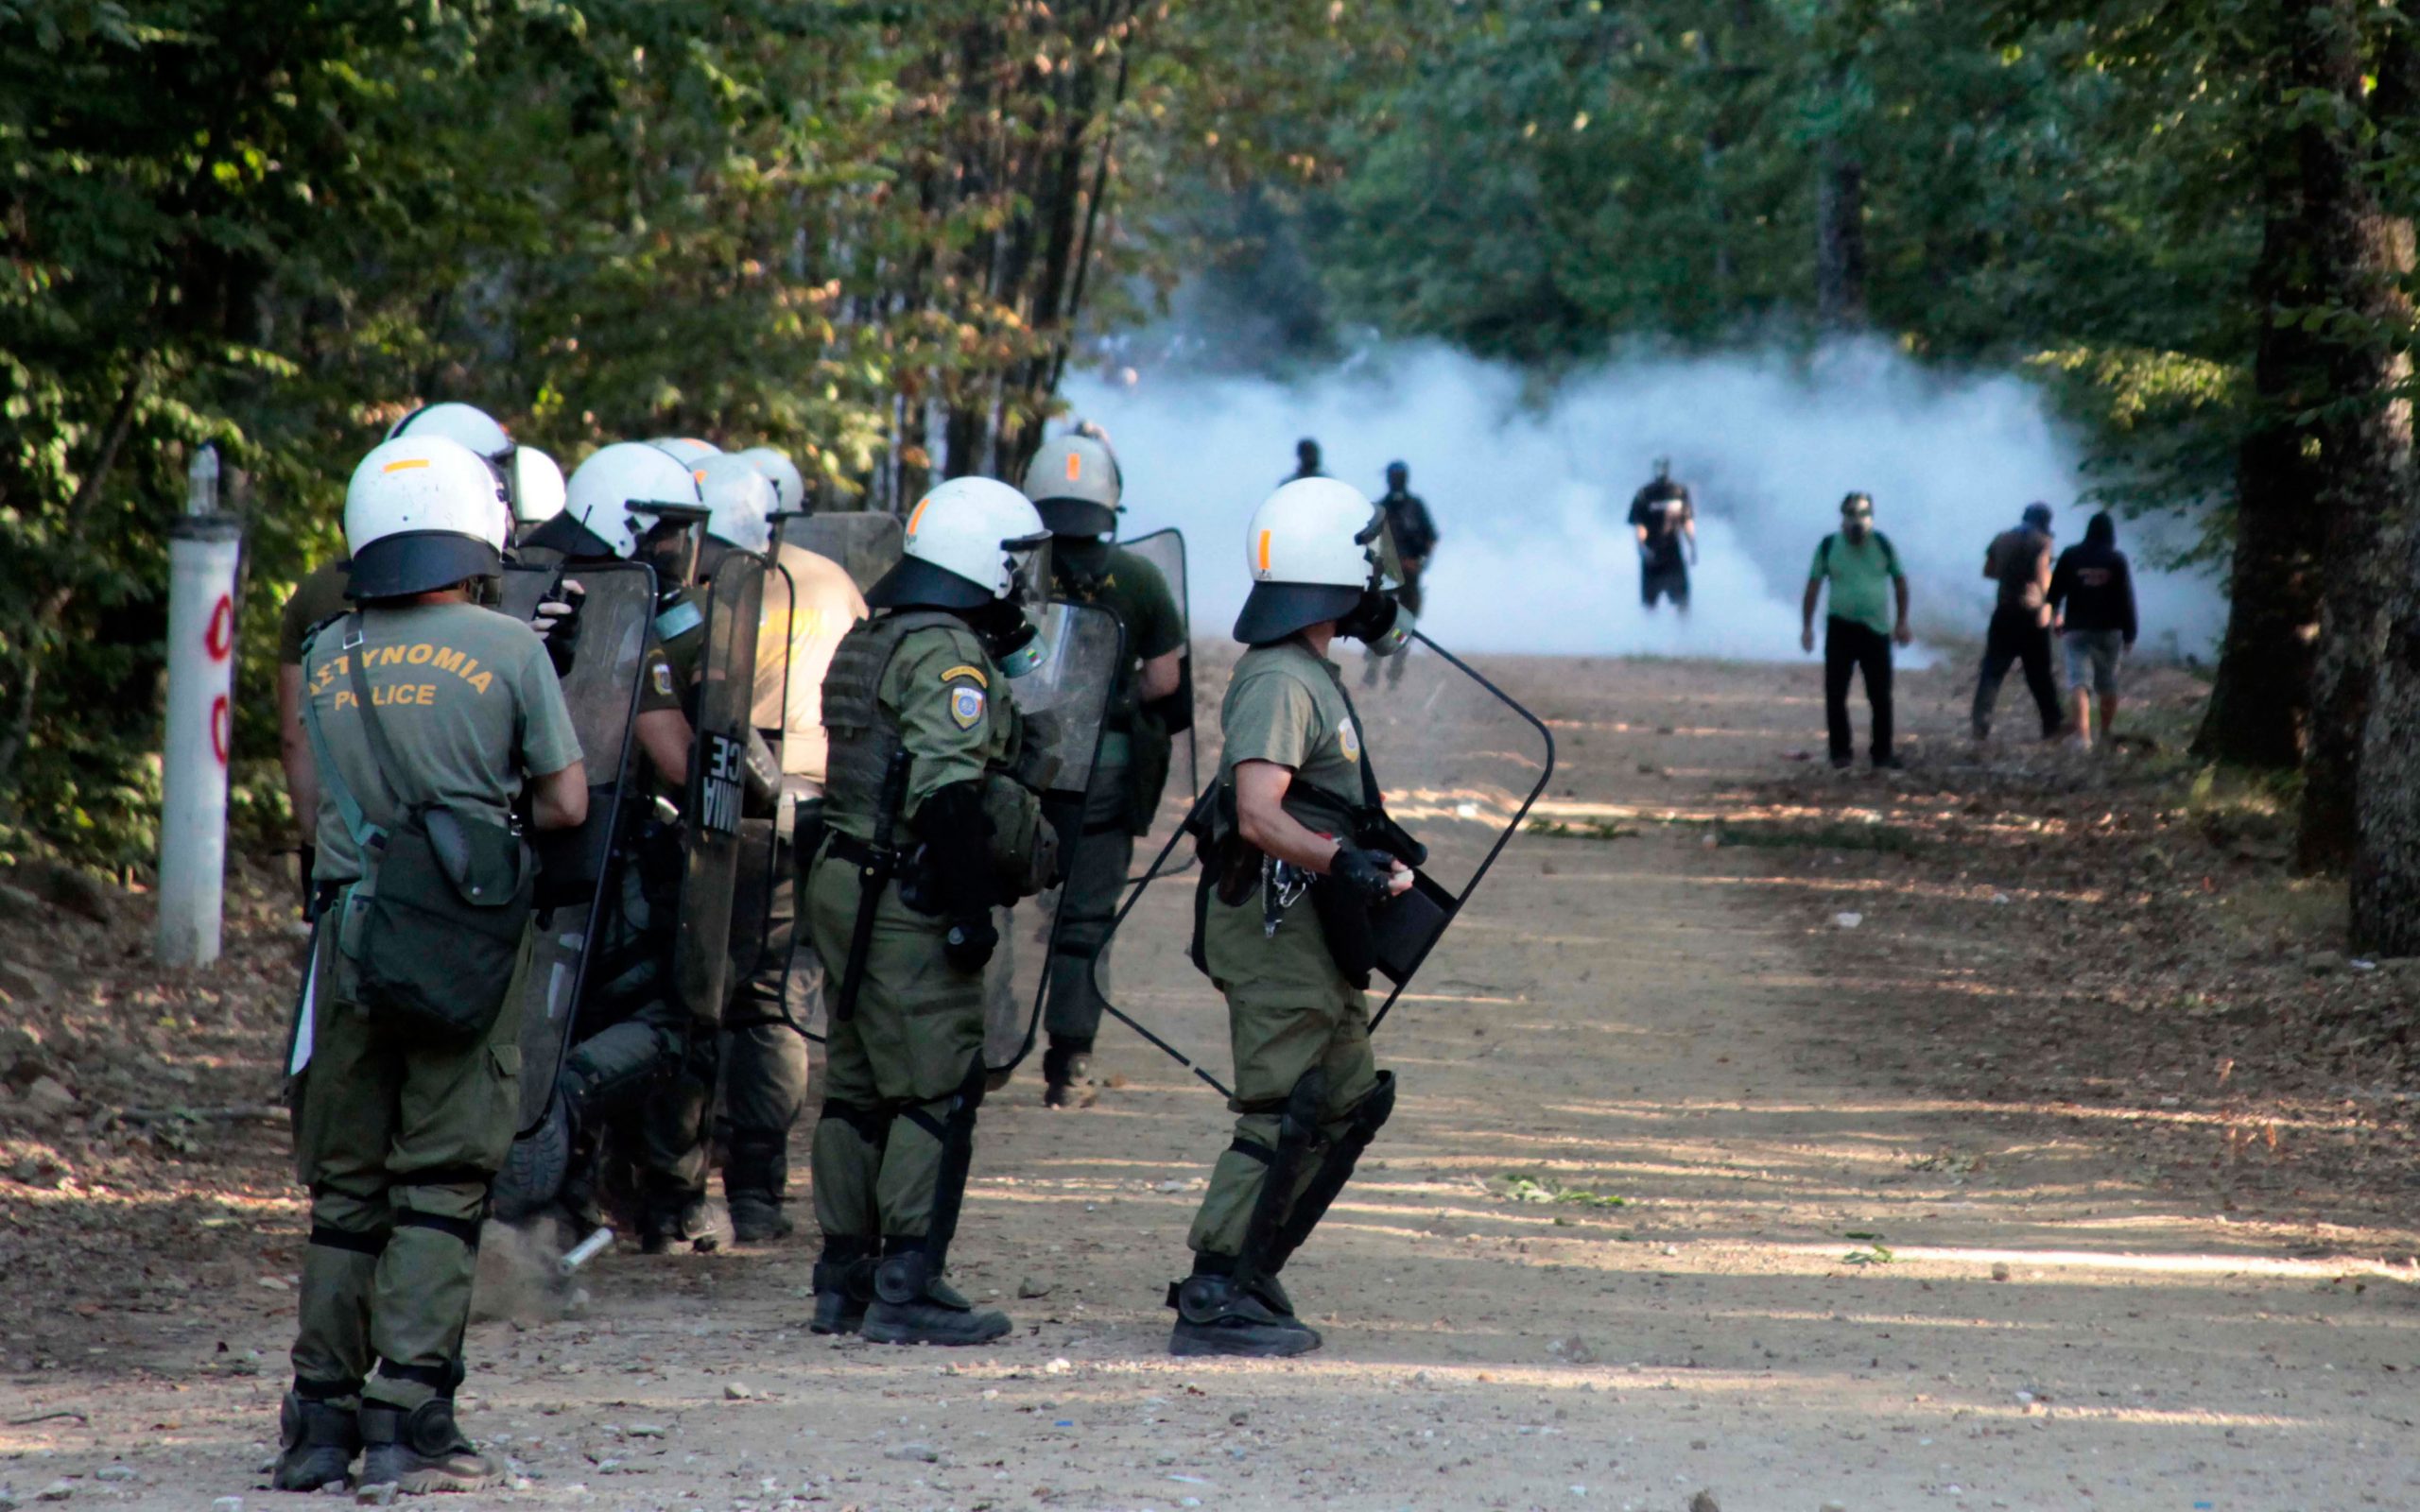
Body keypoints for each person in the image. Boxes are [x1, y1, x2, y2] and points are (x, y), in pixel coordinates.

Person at [276, 434, 587, 1495]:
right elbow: (565, 803)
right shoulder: (509, 649)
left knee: (347, 1191)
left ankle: (317, 1420)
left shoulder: (326, 649)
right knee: (440, 1187)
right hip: (463, 944)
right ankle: (408, 1415)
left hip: (351, 939)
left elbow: (313, 804)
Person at [1166, 476, 1421, 1359]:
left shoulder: (1306, 670)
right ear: (1334, 571)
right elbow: (1257, 815)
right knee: (1282, 1107)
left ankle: (1255, 1265)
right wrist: (1343, 861)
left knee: (1349, 1095)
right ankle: (1213, 1288)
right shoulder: (1279, 678)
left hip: (1308, 924)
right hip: (1272, 927)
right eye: (1366, 561)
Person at [804, 476, 1062, 1345]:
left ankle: (843, 1278)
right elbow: (949, 794)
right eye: (1014, 566)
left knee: (856, 1086)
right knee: (935, 1088)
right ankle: (908, 1285)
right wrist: (968, 912)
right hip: (906, 887)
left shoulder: (873, 636)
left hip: (845, 878)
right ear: (982, 562)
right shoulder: (949, 655)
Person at [718, 450, 871, 1239]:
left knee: (706, 989)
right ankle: (757, 1189)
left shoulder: (714, 583)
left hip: (728, 809)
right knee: (780, 997)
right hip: (819, 806)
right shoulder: (834, 581)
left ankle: (681, 1184)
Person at [1021, 429, 1185, 1108]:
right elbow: (1167, 679)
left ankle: (982, 1048)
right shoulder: (1142, 577)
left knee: (996, 911)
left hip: (1021, 767)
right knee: (1085, 920)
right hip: (1107, 773)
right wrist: (1116, 700)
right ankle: (1071, 1066)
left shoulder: (1014, 569)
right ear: (1110, 503)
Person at [1800, 492, 1911, 770]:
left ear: (1872, 517)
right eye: (1851, 515)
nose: (1856, 521)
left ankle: (1882, 754)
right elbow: (1813, 586)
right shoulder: (1829, 546)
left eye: (1862, 515)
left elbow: (1900, 582)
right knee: (1835, 693)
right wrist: (1807, 628)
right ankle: (1840, 753)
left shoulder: (1883, 545)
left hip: (1876, 630)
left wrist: (1902, 622)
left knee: (1880, 695)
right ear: (1842, 518)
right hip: (1840, 627)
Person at [1972, 502, 2065, 742]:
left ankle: (1981, 722)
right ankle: (2052, 725)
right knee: (2039, 673)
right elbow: (2044, 577)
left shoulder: (2002, 538)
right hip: (2032, 614)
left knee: (1992, 671)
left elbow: (1988, 571)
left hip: (2004, 611)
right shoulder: (2043, 541)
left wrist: (2008, 575)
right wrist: (2052, 609)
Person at [2048, 511, 2137, 751]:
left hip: (2077, 628)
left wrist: (2057, 617)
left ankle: (2083, 738)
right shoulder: (2116, 559)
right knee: (2108, 682)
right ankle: (2106, 735)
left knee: (2079, 682)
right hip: (2110, 630)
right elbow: (2126, 598)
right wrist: (2131, 633)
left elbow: (2054, 592)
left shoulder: (2070, 555)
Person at [1362, 461, 1438, 689]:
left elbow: (1430, 538)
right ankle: (1373, 668)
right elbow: (1370, 542)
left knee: (1403, 626)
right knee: (1377, 622)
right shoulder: (1380, 508)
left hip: (1410, 575)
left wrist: (1420, 563)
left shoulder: (1415, 507)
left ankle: (1395, 671)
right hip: (1386, 574)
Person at [1628, 458, 1697, 612]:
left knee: (1682, 601)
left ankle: (1685, 635)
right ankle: (1650, 634)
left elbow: (1687, 521)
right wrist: (1642, 548)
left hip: (1673, 554)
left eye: (1663, 467)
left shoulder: (1679, 492)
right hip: (1653, 556)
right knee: (1650, 604)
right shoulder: (1644, 494)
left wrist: (1692, 546)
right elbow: (1641, 526)